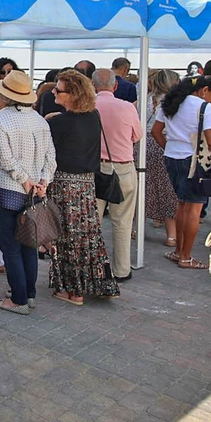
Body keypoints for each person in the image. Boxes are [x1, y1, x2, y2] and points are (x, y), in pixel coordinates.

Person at [0, 71, 57, 314]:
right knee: (28, 245)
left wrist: (26, 180)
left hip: (6, 190)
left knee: (10, 247)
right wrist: (43, 181)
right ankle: (28, 294)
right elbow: (50, 158)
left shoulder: (0, 121)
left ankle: (20, 299)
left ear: (3, 95)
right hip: (33, 192)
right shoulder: (40, 120)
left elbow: (6, 160)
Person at [44, 71, 118, 304]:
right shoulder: (93, 116)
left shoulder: (56, 122)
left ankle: (72, 290)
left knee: (65, 237)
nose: (54, 92)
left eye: (58, 90)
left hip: (64, 184)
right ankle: (96, 282)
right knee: (87, 235)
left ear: (73, 95)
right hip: (86, 185)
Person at [153, 75, 211, 270]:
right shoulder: (205, 108)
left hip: (172, 157)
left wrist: (169, 147)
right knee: (194, 210)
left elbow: (156, 131)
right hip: (194, 161)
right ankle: (186, 256)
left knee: (182, 206)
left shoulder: (171, 103)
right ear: (204, 90)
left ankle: (180, 251)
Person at [92, 69, 141, 281]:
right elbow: (136, 136)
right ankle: (122, 270)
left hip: (95, 169)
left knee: (92, 223)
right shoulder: (127, 107)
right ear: (115, 86)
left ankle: (93, 267)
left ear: (93, 85)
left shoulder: (88, 106)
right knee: (122, 222)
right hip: (123, 167)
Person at [142, 70, 181, 250]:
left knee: (144, 187)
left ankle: (137, 228)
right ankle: (171, 235)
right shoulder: (174, 103)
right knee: (168, 190)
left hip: (144, 146)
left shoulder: (145, 99)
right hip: (165, 142)